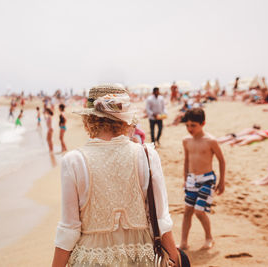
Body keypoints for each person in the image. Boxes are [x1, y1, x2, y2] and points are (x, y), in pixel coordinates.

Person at [52, 84, 179, 267]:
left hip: (93, 259)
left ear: (88, 120)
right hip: (141, 256)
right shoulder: (146, 155)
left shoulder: (74, 161)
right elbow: (161, 220)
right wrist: (175, 257)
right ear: (126, 120)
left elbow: (69, 229)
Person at [180, 108, 225, 250]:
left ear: (203, 123)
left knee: (199, 211)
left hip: (207, 179)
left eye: (193, 125)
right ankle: (183, 242)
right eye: (187, 125)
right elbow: (186, 161)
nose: (189, 128)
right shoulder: (186, 141)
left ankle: (209, 237)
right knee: (187, 211)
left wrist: (222, 181)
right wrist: (185, 179)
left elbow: (221, 161)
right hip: (192, 179)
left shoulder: (211, 141)